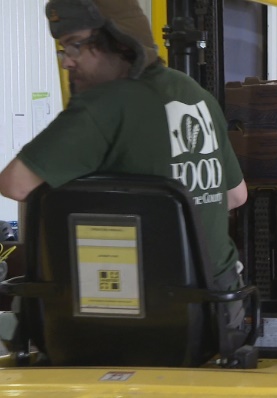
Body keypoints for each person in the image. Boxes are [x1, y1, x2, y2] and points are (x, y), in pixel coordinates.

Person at [0, 0, 247, 293]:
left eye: (74, 45)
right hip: (219, 300)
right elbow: (235, 195)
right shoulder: (197, 95)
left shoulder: (105, 103)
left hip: (142, 309)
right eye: (63, 49)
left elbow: (15, 185)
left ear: (119, 40)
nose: (67, 61)